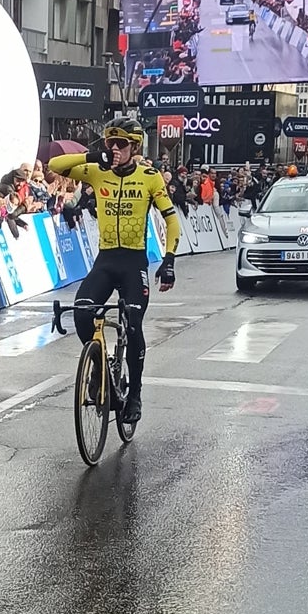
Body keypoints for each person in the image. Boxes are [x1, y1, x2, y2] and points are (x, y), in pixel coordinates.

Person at [48, 117, 181, 425]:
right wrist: (95, 156)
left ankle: (134, 393)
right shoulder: (97, 172)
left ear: (135, 147)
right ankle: (101, 370)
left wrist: (169, 259)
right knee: (82, 312)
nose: (114, 149)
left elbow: (171, 220)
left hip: (134, 262)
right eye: (110, 143)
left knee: (133, 324)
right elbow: (55, 164)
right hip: (106, 259)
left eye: (120, 144)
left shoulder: (150, 176)